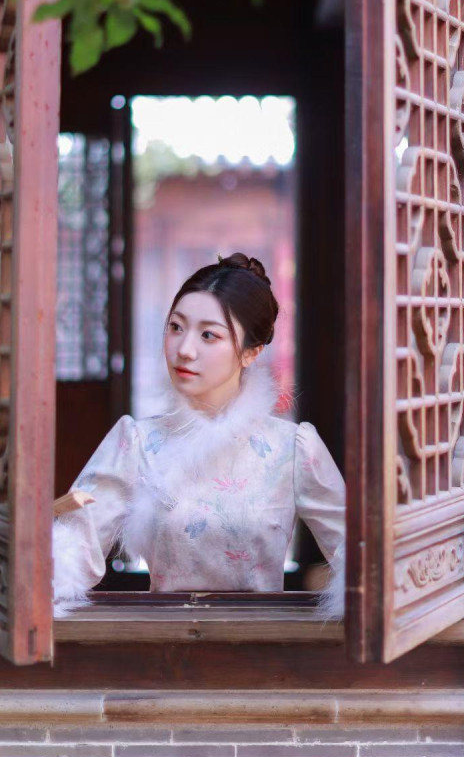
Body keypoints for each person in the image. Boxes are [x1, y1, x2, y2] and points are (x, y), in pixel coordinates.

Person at [52, 252, 346, 617]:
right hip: (162, 640)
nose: (184, 350)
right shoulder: (136, 442)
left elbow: (358, 553)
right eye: (176, 327)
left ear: (251, 352)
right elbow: (72, 551)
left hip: (265, 642)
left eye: (209, 335)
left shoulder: (292, 448)